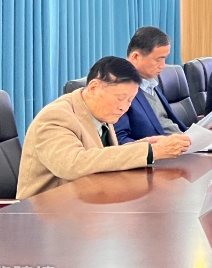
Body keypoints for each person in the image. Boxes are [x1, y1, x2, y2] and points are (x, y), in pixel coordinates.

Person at [17, 57, 191, 199]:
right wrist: (151, 152)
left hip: (87, 203)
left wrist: (146, 144)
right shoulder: (56, 117)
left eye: (130, 100)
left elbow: (100, 155)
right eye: (120, 98)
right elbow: (73, 164)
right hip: (48, 213)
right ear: (94, 88)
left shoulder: (100, 112)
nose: (125, 107)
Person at [114, 26, 187, 143]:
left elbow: (166, 123)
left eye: (165, 59)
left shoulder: (151, 81)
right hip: (158, 151)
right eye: (158, 59)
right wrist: (157, 147)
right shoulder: (118, 88)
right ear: (136, 57)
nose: (163, 65)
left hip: (181, 142)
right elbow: (120, 140)